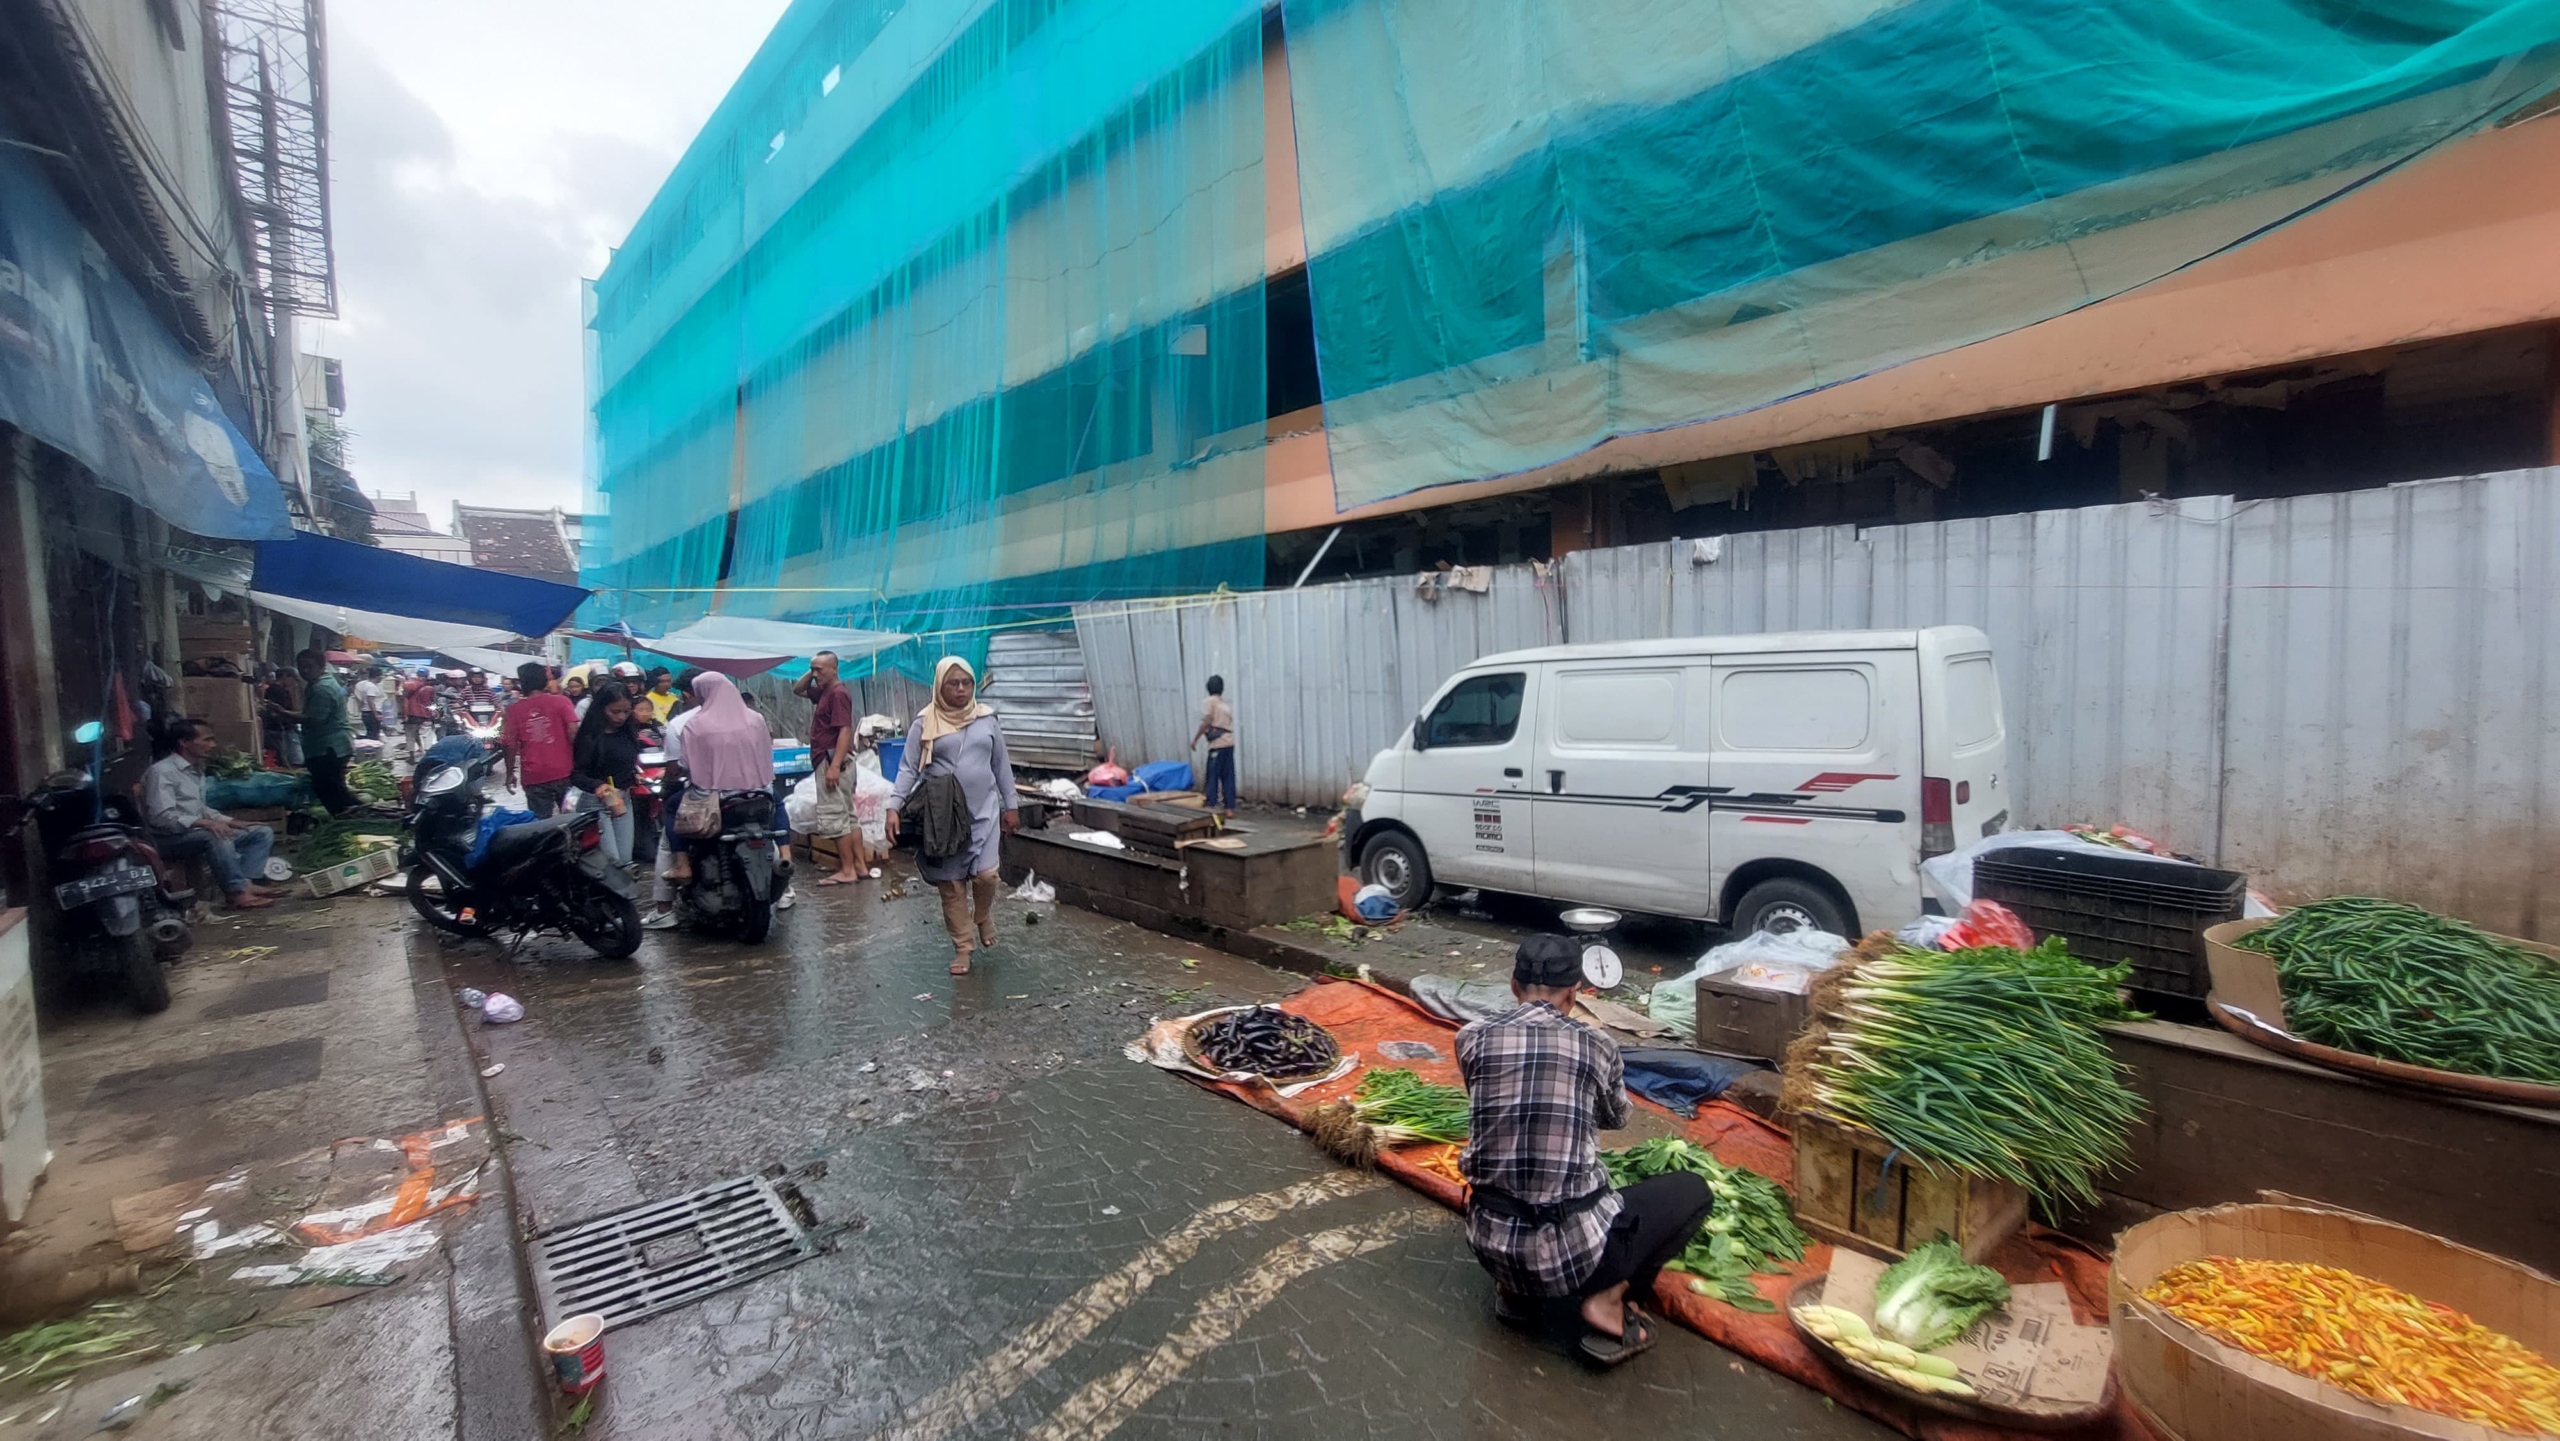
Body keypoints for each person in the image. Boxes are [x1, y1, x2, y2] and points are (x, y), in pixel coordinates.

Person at [1457, 934, 1712, 1368]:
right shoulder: (1597, 1044)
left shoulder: (1471, 1038)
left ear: (1514, 986)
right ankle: (1607, 1302)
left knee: (1516, 1181)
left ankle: (1514, 1292)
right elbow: (1616, 1118)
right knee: (1692, 1190)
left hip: (1490, 1247)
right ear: (1575, 994)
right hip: (1576, 1261)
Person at [886, 657, 1018, 974]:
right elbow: (907, 769)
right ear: (939, 686)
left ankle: (982, 915)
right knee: (952, 884)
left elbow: (1001, 765)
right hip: (943, 817)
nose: (960, 690)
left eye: (966, 683)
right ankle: (963, 948)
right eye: (953, 683)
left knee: (986, 875)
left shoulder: (987, 719)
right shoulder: (925, 722)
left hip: (984, 811)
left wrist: (1011, 805)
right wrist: (893, 806)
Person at [144, 719, 281, 910]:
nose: (212, 745)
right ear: (184, 742)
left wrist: (233, 821)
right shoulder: (162, 772)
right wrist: (205, 824)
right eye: (207, 740)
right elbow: (160, 818)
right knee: (214, 835)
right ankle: (236, 894)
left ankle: (246, 882)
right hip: (168, 839)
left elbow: (202, 809)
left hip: (192, 833)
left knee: (260, 832)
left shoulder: (195, 770)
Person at [798, 649, 865, 886]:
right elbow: (798, 690)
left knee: (836, 816)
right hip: (833, 760)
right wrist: (814, 670)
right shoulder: (825, 691)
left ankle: (847, 870)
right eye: (812, 669)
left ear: (835, 669)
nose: (815, 674)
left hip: (832, 760)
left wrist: (834, 766)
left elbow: (844, 730)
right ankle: (859, 865)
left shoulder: (837, 693)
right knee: (848, 814)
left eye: (820, 669)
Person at [568, 680, 641, 874]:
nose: (621, 717)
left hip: (621, 799)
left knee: (625, 860)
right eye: (615, 711)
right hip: (596, 803)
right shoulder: (589, 737)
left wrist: (632, 775)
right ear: (602, 709)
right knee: (612, 860)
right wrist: (598, 786)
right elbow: (576, 775)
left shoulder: (628, 732)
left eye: (626, 711)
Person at [498, 660, 580, 817]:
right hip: (565, 771)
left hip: (534, 776)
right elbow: (572, 732)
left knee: (541, 826)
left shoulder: (514, 710)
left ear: (522, 684)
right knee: (573, 819)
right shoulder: (561, 701)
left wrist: (510, 773)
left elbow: (509, 744)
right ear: (544, 681)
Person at [297, 650, 358, 813]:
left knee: (330, 790)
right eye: (301, 667)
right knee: (335, 789)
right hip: (332, 746)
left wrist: (283, 713)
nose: (304, 671)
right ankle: (359, 816)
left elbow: (315, 720)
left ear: (321, 666)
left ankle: (352, 820)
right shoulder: (321, 683)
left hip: (328, 748)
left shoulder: (322, 688)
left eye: (309, 667)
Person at [1191, 673, 1238, 817]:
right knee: (1228, 776)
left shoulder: (1209, 702)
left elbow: (1207, 720)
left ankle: (1212, 805)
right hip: (1229, 743)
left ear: (1208, 688)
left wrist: (1196, 739)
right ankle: (1229, 808)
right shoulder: (1225, 705)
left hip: (1217, 744)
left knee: (1213, 775)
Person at [399, 669, 436, 750]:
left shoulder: (407, 685)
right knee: (427, 736)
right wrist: (436, 713)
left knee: (410, 736)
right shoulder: (430, 688)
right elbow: (432, 702)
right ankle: (427, 753)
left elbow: (403, 700)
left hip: (411, 714)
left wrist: (404, 714)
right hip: (426, 715)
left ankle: (411, 756)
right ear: (427, 675)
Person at [351, 667, 388, 741]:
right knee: (373, 736)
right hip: (371, 713)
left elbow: (358, 697)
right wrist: (376, 714)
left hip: (365, 712)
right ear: (378, 676)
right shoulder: (371, 686)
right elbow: (370, 701)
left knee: (370, 734)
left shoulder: (363, 684)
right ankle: (371, 751)